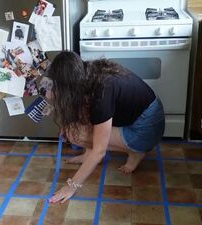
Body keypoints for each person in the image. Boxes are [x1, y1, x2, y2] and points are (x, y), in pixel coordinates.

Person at [47, 51, 165, 204]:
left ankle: (137, 151)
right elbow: (88, 114)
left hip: (146, 130)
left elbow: (100, 151)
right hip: (144, 118)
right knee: (75, 128)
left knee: (74, 133)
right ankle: (90, 155)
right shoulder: (88, 71)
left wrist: (71, 186)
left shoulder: (102, 92)